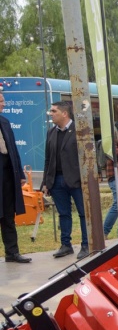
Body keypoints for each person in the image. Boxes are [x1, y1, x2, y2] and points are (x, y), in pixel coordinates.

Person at [41, 101, 89, 260]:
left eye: (54, 111)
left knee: (83, 213)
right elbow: (48, 159)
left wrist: (86, 180)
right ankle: (66, 245)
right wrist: (46, 182)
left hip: (76, 180)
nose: (51, 113)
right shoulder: (51, 132)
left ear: (64, 114)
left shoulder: (80, 131)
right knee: (63, 214)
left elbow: (87, 157)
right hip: (57, 180)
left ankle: (86, 245)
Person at [0, 93, 31, 263]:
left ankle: (12, 252)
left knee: (8, 214)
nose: (3, 104)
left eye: (3, 101)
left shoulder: (4, 122)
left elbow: (13, 150)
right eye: (1, 101)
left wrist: (19, 173)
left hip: (7, 175)